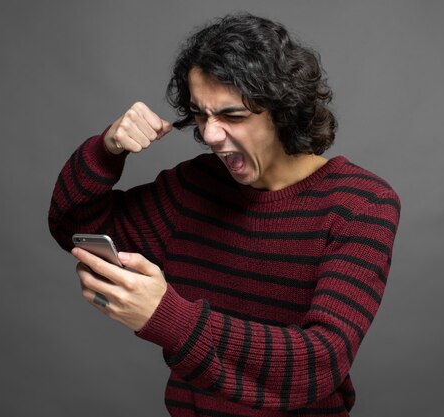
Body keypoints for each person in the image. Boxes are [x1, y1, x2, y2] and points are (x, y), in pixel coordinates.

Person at [49, 12, 400, 417]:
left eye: (232, 116)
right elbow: (73, 226)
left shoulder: (362, 204)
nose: (211, 136)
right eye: (201, 114)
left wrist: (167, 318)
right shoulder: (195, 187)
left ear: (283, 110)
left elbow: (318, 363)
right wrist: (106, 149)